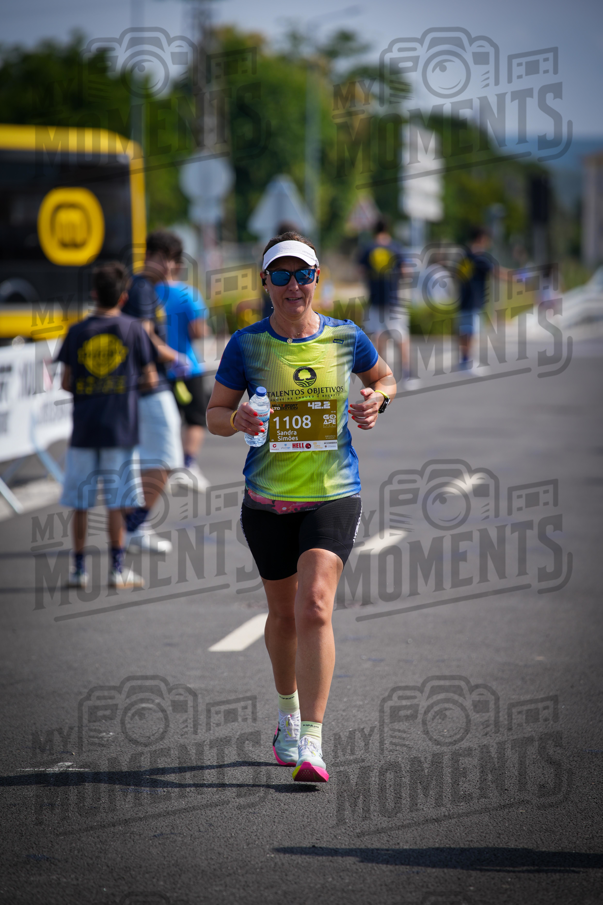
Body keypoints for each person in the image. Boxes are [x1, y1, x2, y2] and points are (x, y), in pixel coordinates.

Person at [206, 231, 395, 783]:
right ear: (265, 281)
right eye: (282, 276)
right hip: (266, 501)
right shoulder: (246, 345)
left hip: (333, 494)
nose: (294, 286)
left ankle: (312, 740)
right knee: (284, 615)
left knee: (314, 606)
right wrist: (236, 418)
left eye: (304, 274)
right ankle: (287, 715)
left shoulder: (346, 337)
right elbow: (214, 414)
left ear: (317, 279)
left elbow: (383, 377)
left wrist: (377, 400)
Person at [56, 262, 157, 589]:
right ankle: (116, 569)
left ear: (94, 294)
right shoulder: (133, 329)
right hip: (121, 428)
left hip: (84, 429)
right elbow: (150, 378)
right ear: (124, 296)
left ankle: (78, 570)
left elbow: (66, 382)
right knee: (118, 501)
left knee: (80, 503)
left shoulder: (76, 331)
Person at [121, 230, 189, 553]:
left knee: (148, 458)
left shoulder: (140, 286)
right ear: (152, 257)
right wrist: (172, 356)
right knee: (166, 456)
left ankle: (135, 525)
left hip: (142, 385)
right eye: (167, 260)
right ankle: (133, 526)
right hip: (149, 386)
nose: (170, 268)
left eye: (173, 262)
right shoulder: (142, 288)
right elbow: (143, 336)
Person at [156, 243, 211, 493]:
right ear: (178, 265)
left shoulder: (145, 294)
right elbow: (198, 331)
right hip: (188, 367)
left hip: (156, 370)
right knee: (195, 418)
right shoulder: (189, 294)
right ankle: (188, 466)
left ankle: (166, 468)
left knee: (166, 421)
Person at [358, 218, 413, 386]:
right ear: (388, 229)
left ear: (374, 230)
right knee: (401, 336)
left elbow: (360, 271)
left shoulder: (368, 248)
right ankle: (407, 373)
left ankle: (382, 375)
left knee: (378, 336)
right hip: (394, 299)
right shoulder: (396, 247)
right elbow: (406, 271)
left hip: (375, 299)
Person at [456, 226, 496, 372]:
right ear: (481, 238)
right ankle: (470, 363)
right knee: (472, 332)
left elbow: (457, 275)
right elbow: (495, 271)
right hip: (475, 300)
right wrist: (517, 277)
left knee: (464, 331)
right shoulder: (480, 257)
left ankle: (464, 361)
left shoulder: (464, 255)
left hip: (463, 299)